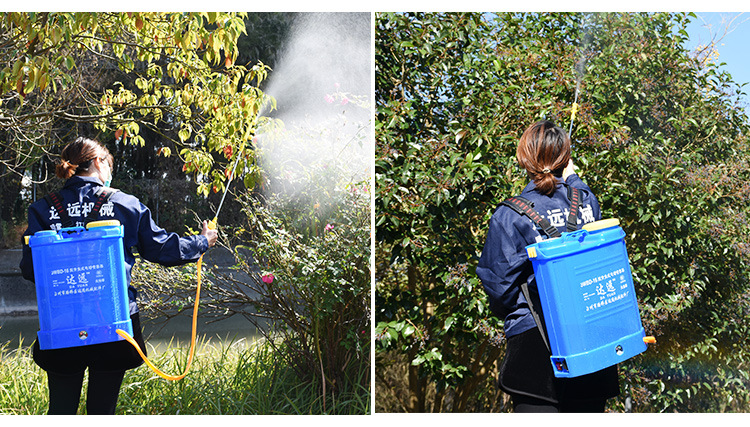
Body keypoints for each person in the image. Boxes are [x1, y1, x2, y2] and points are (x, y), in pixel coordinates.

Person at [20, 137, 218, 415]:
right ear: (99, 162)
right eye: (109, 164)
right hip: (114, 324)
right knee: (103, 411)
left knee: (60, 410)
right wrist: (201, 242)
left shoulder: (42, 209)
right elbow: (161, 249)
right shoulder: (124, 204)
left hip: (62, 324)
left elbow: (30, 270)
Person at [476, 120, 619, 413]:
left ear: (524, 159)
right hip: (592, 347)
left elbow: (499, 287)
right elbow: (580, 198)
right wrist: (573, 176)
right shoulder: (587, 201)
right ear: (564, 159)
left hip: (534, 355)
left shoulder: (510, 214)